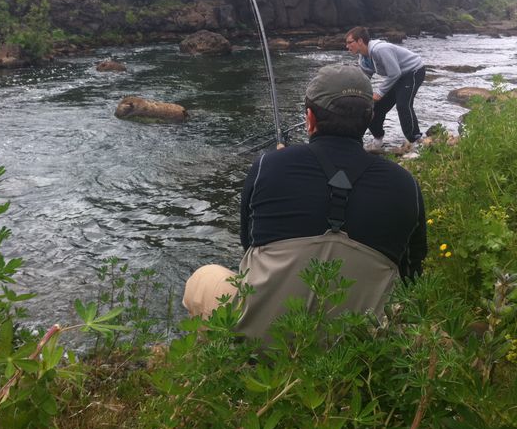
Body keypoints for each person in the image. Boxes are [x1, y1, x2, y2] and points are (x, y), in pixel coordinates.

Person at [182, 64, 427, 341]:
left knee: (204, 277)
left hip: (261, 343)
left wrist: (280, 166)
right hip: (357, 350)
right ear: (369, 118)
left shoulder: (267, 166)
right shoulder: (406, 184)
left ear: (310, 119)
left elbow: (249, 244)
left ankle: (217, 362)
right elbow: (411, 274)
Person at [345, 26, 426, 148]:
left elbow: (394, 73)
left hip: (413, 71)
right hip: (397, 75)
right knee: (373, 108)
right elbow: (365, 77)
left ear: (360, 41)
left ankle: (416, 141)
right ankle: (378, 140)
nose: (347, 46)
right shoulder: (363, 56)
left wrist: (379, 93)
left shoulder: (380, 50)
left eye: (349, 42)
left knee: (403, 105)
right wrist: (355, 93)